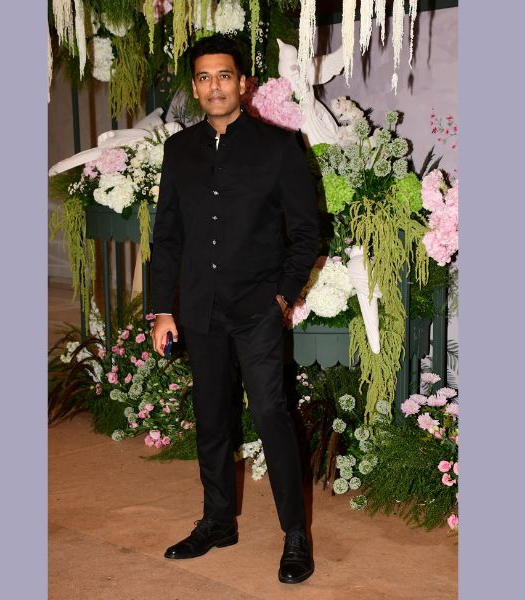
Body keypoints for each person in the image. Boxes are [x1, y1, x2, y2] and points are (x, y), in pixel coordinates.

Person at [149, 34, 319, 584]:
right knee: (212, 420)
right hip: (200, 312)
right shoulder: (179, 151)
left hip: (256, 310)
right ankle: (218, 522)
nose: (214, 86)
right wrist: (162, 310)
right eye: (204, 77)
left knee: (272, 416)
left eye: (224, 75)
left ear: (243, 84)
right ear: (195, 87)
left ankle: (295, 534)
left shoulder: (279, 147)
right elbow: (167, 237)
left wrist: (283, 295)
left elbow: (307, 232)